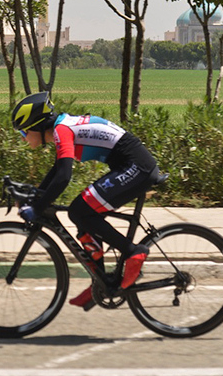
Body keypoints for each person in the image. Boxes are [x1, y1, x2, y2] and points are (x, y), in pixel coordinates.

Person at [11, 92, 160, 311]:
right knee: (84, 213)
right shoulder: (61, 128)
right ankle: (99, 282)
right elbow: (56, 171)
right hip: (128, 166)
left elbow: (63, 177)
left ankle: (132, 251)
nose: (23, 138)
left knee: (79, 210)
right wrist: (37, 195)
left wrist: (37, 207)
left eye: (23, 132)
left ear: (37, 127)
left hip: (138, 168)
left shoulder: (62, 130)